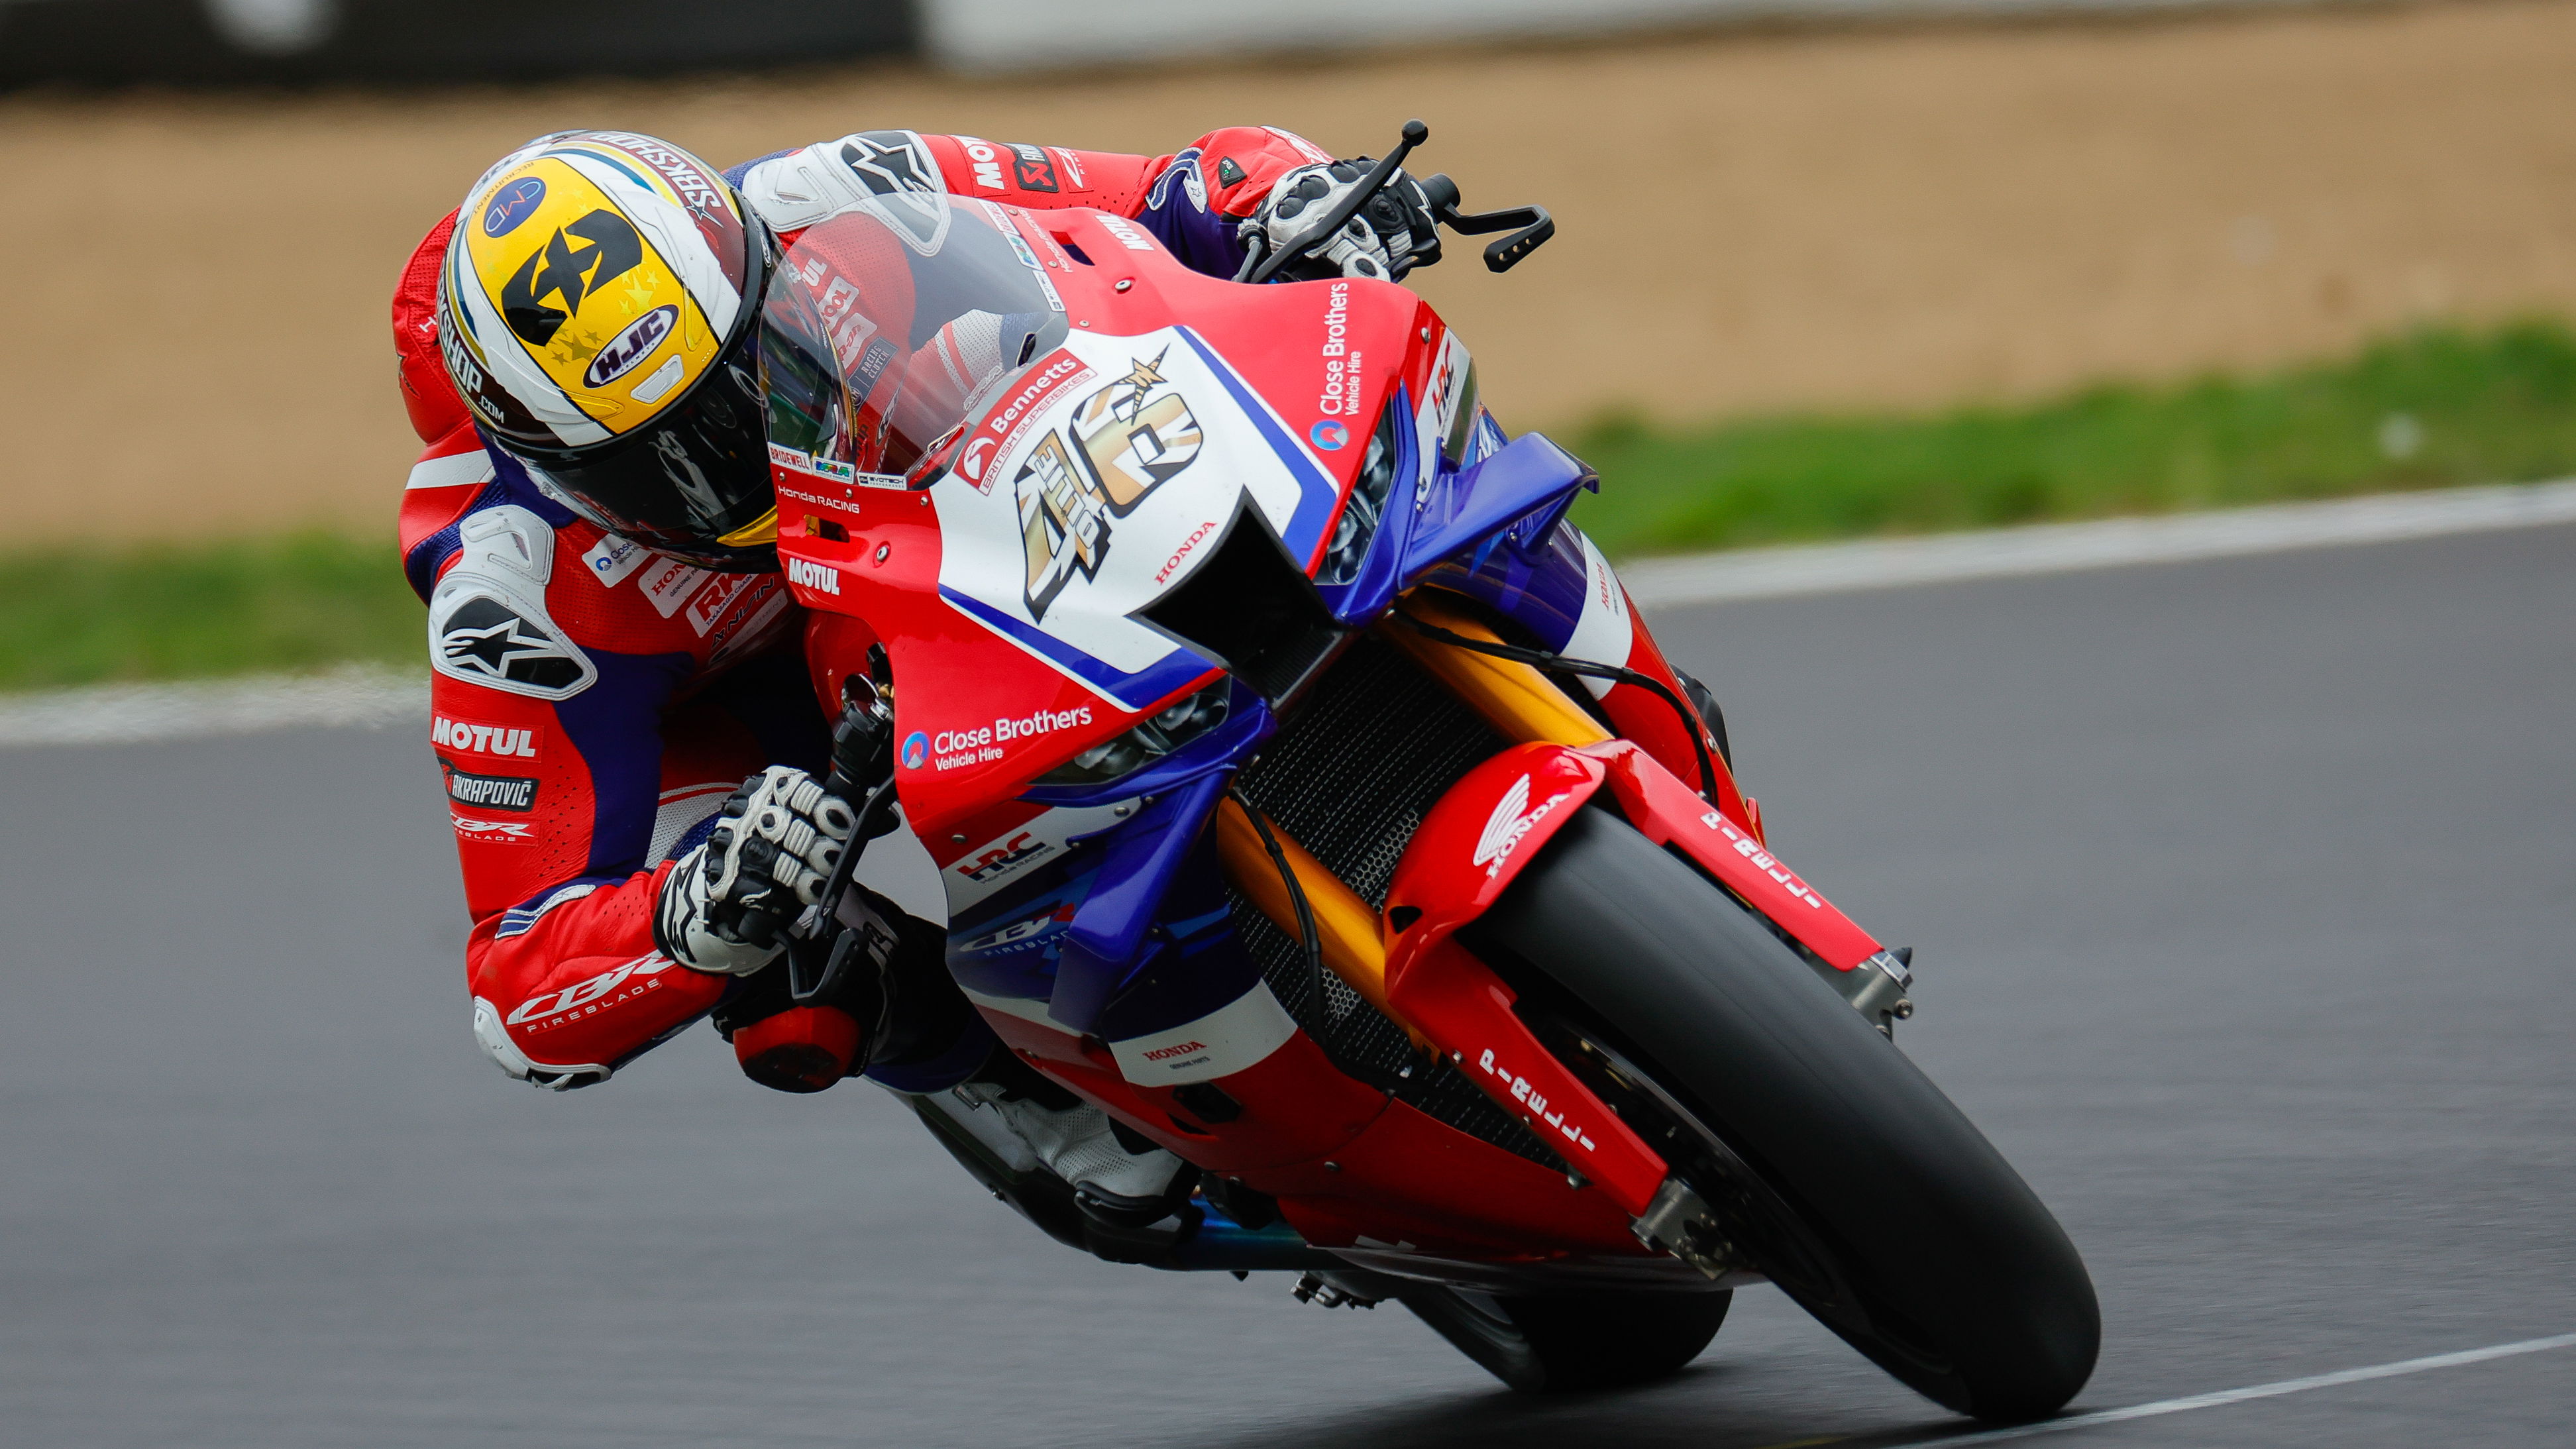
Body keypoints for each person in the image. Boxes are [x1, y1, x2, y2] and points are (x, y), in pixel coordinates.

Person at [396, 126, 1434, 1230]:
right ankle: (1049, 1104)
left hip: (901, 522)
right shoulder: (509, 594)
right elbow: (516, 987)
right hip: (739, 720)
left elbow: (1159, 190)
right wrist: (685, 916)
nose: (723, 466)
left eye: (740, 386)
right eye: (657, 465)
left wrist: (1291, 190)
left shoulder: (833, 194)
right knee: (789, 975)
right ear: (547, 467)